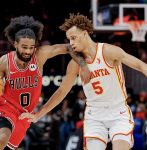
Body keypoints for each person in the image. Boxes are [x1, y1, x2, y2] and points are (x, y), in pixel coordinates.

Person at [20, 13, 147, 150]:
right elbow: (62, 91)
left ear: (85, 33)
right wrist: (38, 115)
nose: (71, 43)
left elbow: (141, 66)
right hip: (94, 115)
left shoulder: (108, 52)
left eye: (74, 38)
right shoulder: (75, 64)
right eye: (69, 39)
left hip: (118, 112)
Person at [0, 15, 90, 150]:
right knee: (2, 137)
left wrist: (83, 66)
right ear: (15, 44)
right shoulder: (4, 62)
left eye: (31, 47)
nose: (28, 51)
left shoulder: (40, 54)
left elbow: (70, 47)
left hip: (25, 115)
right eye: (24, 47)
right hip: (6, 108)